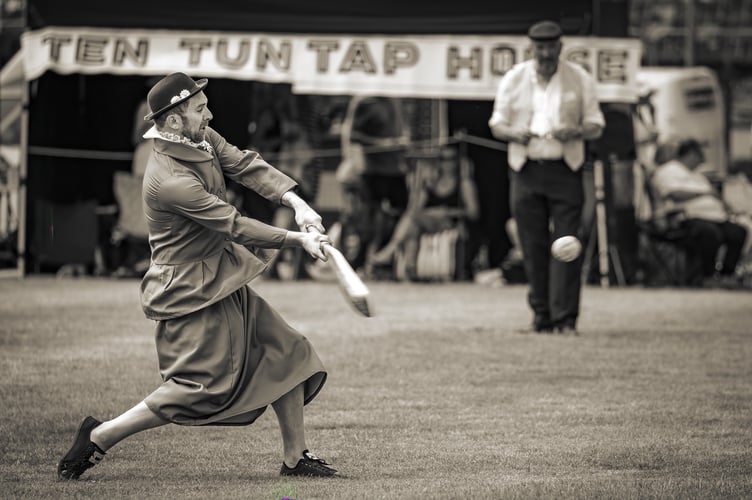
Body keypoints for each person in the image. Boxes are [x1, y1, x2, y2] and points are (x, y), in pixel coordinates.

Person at [57, 72, 338, 480]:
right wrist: (299, 240)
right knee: (198, 389)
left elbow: (243, 163)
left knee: (288, 350)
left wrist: (297, 203)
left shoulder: (198, 136)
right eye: (200, 108)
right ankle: (100, 435)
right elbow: (235, 225)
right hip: (189, 289)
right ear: (172, 120)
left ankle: (296, 458)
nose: (210, 113)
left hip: (219, 274)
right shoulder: (169, 180)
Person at [488, 20, 605, 334]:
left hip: (565, 169)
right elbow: (496, 123)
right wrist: (515, 133)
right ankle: (541, 316)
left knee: (567, 243)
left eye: (550, 47)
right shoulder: (514, 78)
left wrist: (575, 131)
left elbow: (596, 124)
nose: (545, 53)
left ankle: (565, 318)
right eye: (539, 47)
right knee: (532, 244)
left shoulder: (579, 79)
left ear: (560, 47)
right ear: (532, 48)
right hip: (525, 169)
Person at [369, 144, 480, 280]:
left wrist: (447, 212)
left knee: (413, 220)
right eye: (443, 159)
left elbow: (474, 212)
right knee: (413, 224)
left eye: (451, 159)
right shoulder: (432, 181)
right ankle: (410, 270)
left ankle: (391, 250)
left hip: (449, 221)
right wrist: (419, 186)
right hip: (426, 220)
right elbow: (415, 208)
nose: (447, 163)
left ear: (457, 161)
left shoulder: (464, 183)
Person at [651, 138, 748, 287]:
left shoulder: (697, 175)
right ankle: (706, 276)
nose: (702, 160)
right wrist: (703, 194)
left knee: (738, 232)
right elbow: (673, 194)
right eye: (700, 155)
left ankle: (726, 275)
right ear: (690, 154)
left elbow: (714, 194)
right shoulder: (667, 170)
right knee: (711, 233)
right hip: (684, 218)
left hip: (714, 217)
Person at [336, 95, 409, 271]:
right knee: (367, 218)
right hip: (372, 169)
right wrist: (382, 143)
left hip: (396, 168)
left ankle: (383, 260)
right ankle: (359, 261)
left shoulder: (399, 97)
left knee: (397, 215)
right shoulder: (365, 101)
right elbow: (353, 135)